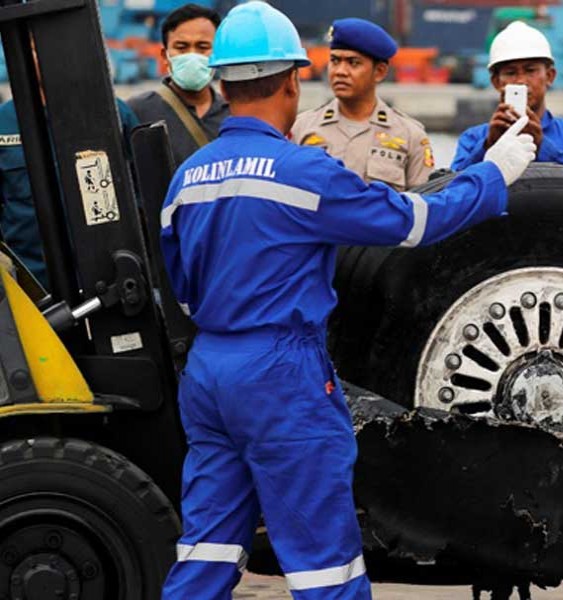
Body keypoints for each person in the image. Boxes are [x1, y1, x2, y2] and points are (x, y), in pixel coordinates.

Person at [158, 3, 535, 598]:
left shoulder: (189, 177)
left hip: (209, 373)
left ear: (224, 84)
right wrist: (495, 173)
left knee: (206, 545)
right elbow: (416, 220)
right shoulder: (303, 170)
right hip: (280, 375)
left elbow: (179, 285)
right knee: (321, 559)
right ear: (290, 80)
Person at [0, 66, 139, 289]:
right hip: (33, 284)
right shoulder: (3, 123)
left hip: (111, 279)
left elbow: (141, 196)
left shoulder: (113, 112)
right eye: (33, 47)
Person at [291, 18, 433, 192]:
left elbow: (423, 206)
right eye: (335, 61)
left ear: (379, 72)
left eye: (353, 63)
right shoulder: (301, 128)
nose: (340, 71)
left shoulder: (410, 136)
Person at [452, 20, 563, 174]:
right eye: (510, 73)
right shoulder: (473, 139)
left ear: (550, 76)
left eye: (530, 71)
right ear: (496, 82)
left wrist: (542, 147)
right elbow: (452, 190)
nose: (521, 81)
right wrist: (489, 146)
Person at [127, 3, 229, 167]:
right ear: (165, 55)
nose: (192, 55)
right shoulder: (136, 112)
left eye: (202, 47)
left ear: (217, 54)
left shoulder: (233, 114)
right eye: (181, 47)